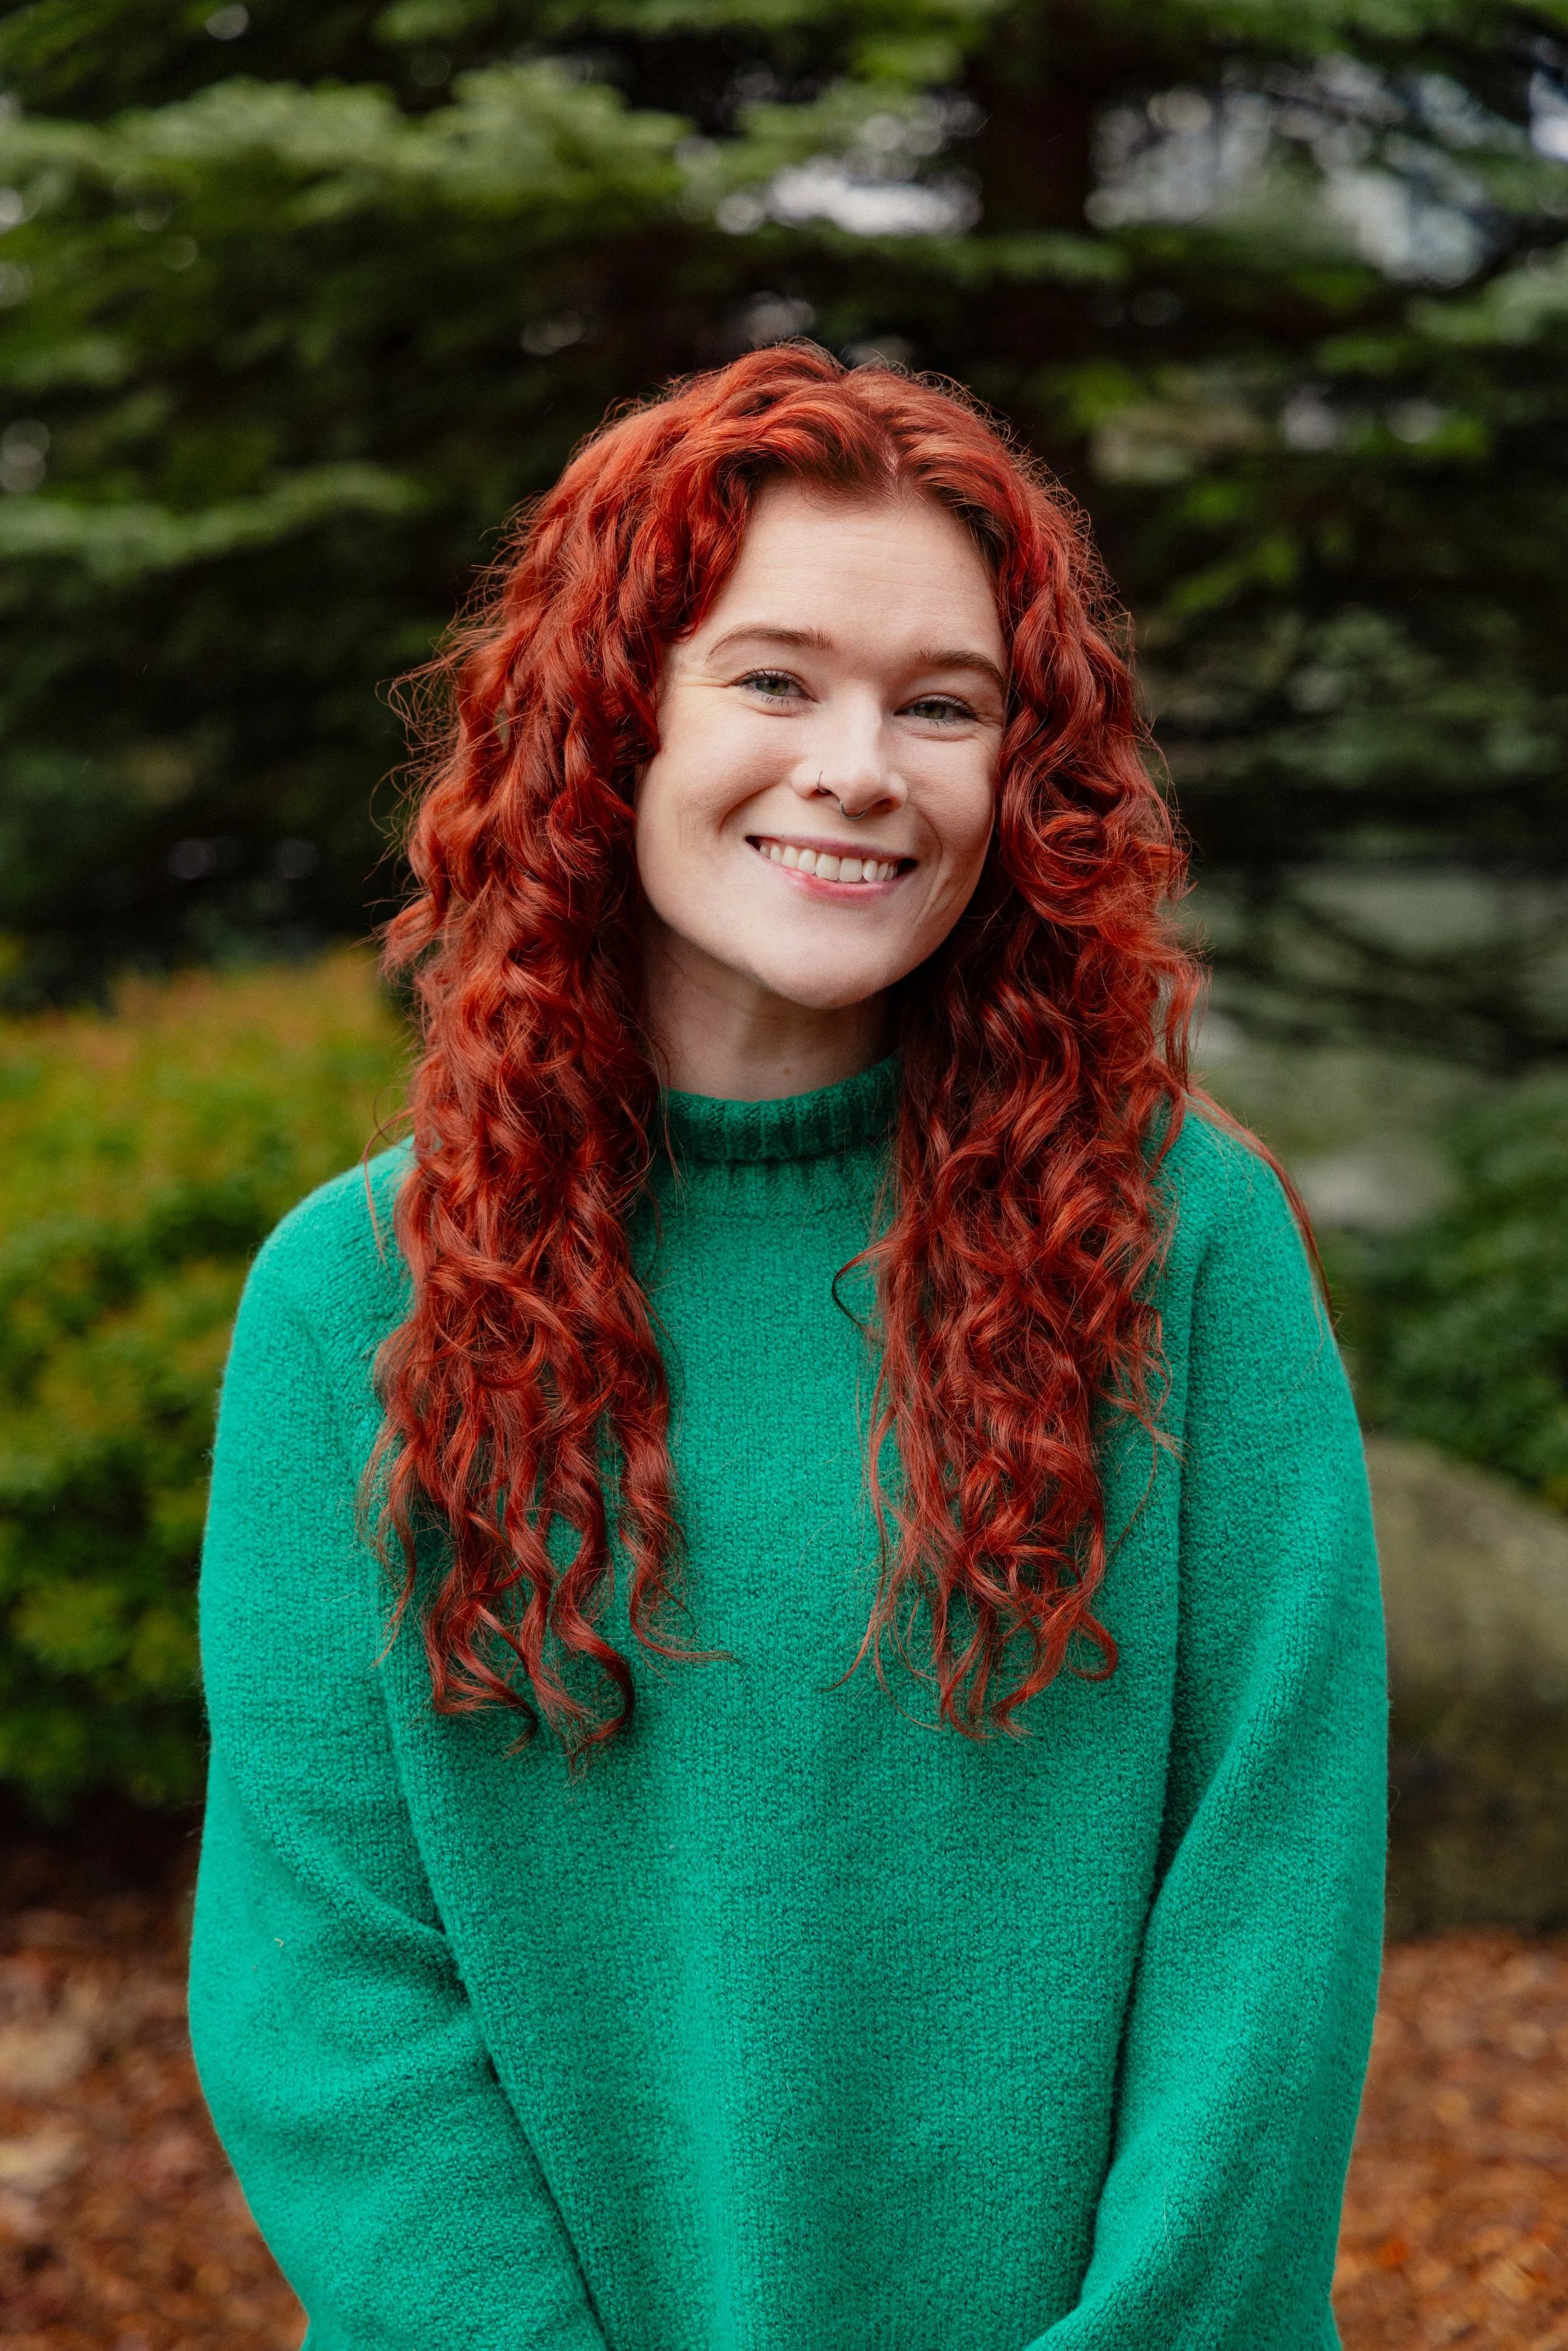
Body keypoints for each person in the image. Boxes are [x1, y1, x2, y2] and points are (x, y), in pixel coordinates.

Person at [188, 345, 1387, 2351]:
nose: (860, 765)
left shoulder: (1180, 1245)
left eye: (945, 706)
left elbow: (1271, 1907)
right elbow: (324, 1986)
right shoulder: (349, 1301)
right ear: (611, 722)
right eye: (772, 677)